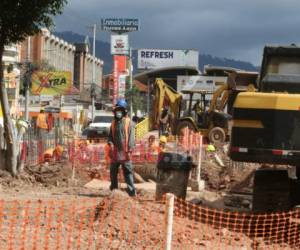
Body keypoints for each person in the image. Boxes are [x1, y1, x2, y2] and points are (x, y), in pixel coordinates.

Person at [107, 99, 136, 197]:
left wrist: (130, 149)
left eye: (120, 110)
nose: (118, 112)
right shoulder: (113, 123)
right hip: (115, 151)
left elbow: (131, 137)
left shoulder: (129, 122)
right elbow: (110, 136)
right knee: (113, 170)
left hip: (125, 151)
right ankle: (114, 189)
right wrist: (110, 144)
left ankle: (131, 192)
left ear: (124, 111)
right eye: (117, 110)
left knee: (127, 171)